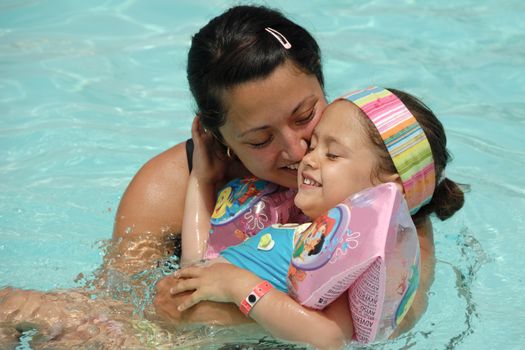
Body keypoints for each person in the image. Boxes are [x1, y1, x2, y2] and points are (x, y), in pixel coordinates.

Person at [155, 87, 465, 349]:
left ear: (388, 186)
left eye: (332, 154)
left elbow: (330, 337)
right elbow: (197, 267)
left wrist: (239, 287)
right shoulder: (312, 234)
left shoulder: (346, 253)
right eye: (314, 144)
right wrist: (202, 180)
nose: (308, 158)